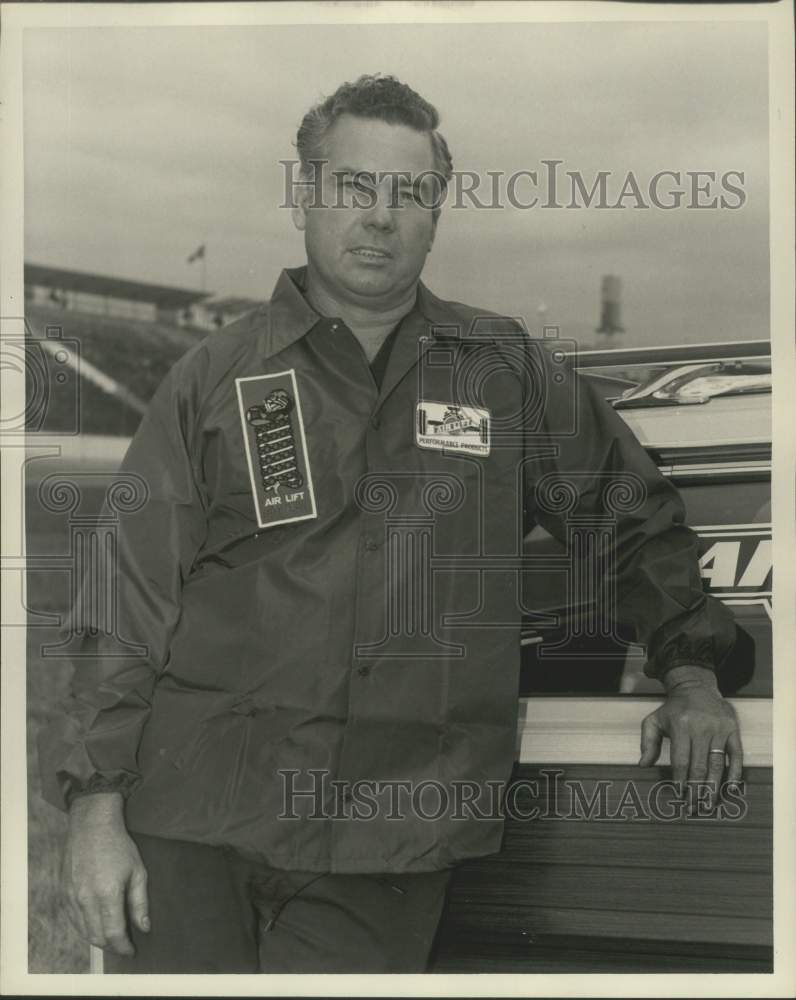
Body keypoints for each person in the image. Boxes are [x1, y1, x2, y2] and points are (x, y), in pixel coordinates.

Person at [41, 74, 743, 974]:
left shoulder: (502, 373)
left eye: (410, 194)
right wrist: (96, 806)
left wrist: (690, 671)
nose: (381, 216)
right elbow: (124, 596)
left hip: (390, 842)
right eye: (355, 187)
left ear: (438, 213)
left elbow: (627, 514)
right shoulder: (213, 378)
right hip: (193, 824)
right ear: (306, 195)